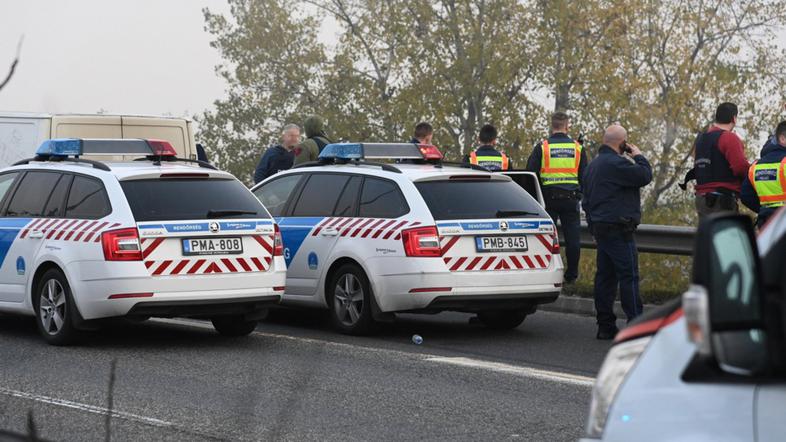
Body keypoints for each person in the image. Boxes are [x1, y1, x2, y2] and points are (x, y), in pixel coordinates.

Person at [582, 124, 652, 340]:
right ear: (622, 143)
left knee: (605, 277)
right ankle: (636, 327)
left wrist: (593, 226)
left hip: (601, 229)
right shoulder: (617, 164)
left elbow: (586, 201)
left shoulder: (593, 166)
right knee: (628, 276)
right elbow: (644, 175)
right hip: (619, 230)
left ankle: (605, 326)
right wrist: (639, 155)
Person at [526, 112, 587, 284]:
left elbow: (530, 173)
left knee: (545, 238)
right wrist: (580, 194)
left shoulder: (542, 147)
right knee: (573, 240)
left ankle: (545, 271)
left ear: (552, 126)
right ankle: (571, 275)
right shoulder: (578, 148)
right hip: (570, 200)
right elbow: (585, 176)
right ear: (567, 127)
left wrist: (536, 199)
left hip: (548, 200)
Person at [692, 102, 749, 218]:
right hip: (722, 200)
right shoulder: (729, 138)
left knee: (709, 234)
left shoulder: (701, 139)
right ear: (734, 118)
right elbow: (740, 168)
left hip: (701, 199)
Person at [742, 121, 786, 228]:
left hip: (765, 222)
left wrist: (765, 209)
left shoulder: (755, 167)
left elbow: (745, 196)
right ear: (783, 139)